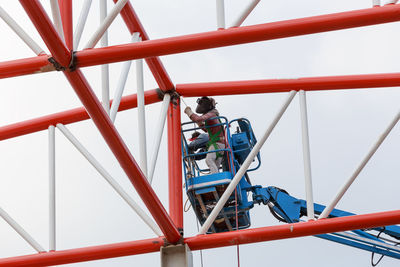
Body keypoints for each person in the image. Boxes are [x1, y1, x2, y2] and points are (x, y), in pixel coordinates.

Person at [184, 96, 225, 174]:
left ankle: (216, 179)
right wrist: (200, 124)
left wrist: (189, 113)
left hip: (217, 143)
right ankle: (217, 182)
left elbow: (198, 119)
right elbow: (208, 129)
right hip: (219, 144)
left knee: (209, 160)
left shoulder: (212, 115)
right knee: (215, 167)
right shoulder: (213, 117)